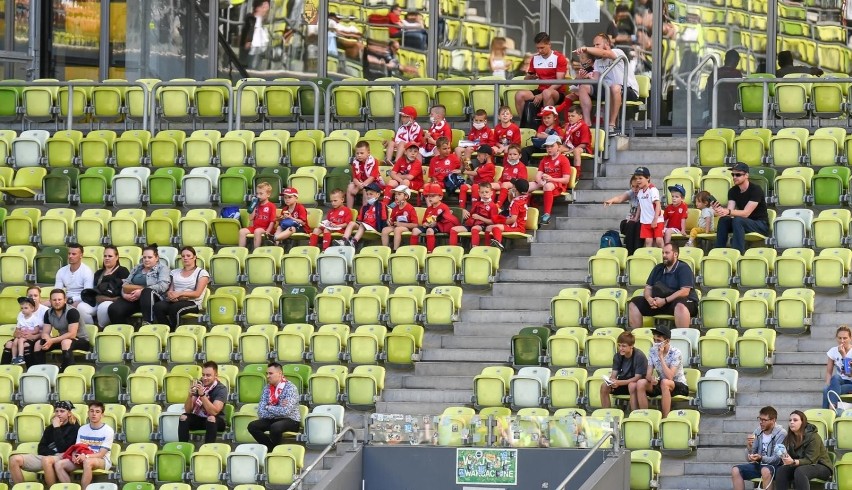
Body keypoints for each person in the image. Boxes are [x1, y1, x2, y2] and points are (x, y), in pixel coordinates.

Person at [574, 33, 640, 134]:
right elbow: (595, 81)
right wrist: (586, 77)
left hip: (628, 89)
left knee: (614, 87)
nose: (595, 47)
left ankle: (611, 125)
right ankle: (587, 124)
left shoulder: (617, 52)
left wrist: (585, 49)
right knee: (584, 87)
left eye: (597, 45)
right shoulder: (597, 62)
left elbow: (605, 54)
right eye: (594, 45)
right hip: (608, 89)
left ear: (607, 44)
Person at [628, 243, 698, 329]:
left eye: (667, 253)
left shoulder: (683, 268)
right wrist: (649, 299)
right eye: (662, 253)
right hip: (660, 302)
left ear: (675, 254)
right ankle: (636, 336)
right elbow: (648, 288)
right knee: (634, 302)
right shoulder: (658, 268)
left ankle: (682, 337)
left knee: (680, 305)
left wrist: (664, 301)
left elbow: (684, 291)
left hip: (684, 302)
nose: (664, 255)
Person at [12, 401, 80, 486]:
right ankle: (21, 487)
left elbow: (63, 449)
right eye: (57, 411)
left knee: (46, 460)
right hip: (50, 456)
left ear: (69, 413)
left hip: (65, 457)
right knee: (14, 459)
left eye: (62, 411)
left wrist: (57, 428)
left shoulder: (74, 428)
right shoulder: (50, 428)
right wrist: (54, 454)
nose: (58, 414)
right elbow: (41, 448)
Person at [53, 401, 115, 489]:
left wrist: (86, 456)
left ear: (102, 415)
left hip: (101, 460)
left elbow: (101, 454)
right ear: (88, 413)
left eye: (97, 412)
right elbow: (77, 447)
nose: (94, 414)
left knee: (87, 462)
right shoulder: (82, 429)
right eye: (91, 411)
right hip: (82, 456)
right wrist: (74, 455)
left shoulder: (108, 430)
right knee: (59, 464)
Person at [713, 162, 770, 253]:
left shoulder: (756, 190)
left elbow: (746, 213)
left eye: (738, 174)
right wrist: (718, 211)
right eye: (733, 174)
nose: (734, 177)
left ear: (746, 175)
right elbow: (729, 212)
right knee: (724, 220)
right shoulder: (733, 191)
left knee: (738, 220)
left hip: (760, 224)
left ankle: (738, 253)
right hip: (743, 222)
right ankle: (719, 251)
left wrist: (727, 211)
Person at [107, 245, 171, 325]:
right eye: (144, 257)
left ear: (157, 258)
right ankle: (126, 331)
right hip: (134, 298)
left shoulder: (162, 268)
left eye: (149, 257)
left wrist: (142, 291)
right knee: (113, 309)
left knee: (147, 291)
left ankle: (147, 322)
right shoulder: (138, 268)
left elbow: (163, 286)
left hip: (153, 299)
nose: (146, 260)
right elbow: (126, 283)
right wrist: (124, 295)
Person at [634, 325, 689, 418]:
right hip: (663, 383)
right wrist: (651, 379)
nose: (655, 343)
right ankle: (644, 416)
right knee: (640, 383)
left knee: (665, 382)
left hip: (679, 385)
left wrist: (661, 357)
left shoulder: (676, 353)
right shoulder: (652, 351)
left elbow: (670, 376)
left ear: (667, 341)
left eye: (658, 341)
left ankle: (665, 418)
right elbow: (648, 374)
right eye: (654, 340)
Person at [153, 247, 210, 331]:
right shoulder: (174, 272)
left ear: (194, 257)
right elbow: (170, 290)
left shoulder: (202, 273)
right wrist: (171, 295)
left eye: (188, 255)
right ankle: (167, 330)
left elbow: (197, 293)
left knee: (175, 308)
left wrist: (180, 294)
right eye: (183, 256)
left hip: (193, 302)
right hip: (176, 300)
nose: (185, 258)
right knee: (158, 306)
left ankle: (176, 332)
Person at [248, 363, 301, 452]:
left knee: (275, 427)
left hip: (291, 420)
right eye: (267, 373)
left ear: (280, 374)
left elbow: (286, 411)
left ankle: (276, 450)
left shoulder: (290, 388)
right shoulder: (267, 388)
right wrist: (277, 408)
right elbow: (260, 412)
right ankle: (272, 449)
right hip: (273, 418)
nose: (268, 376)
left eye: (270, 373)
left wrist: (268, 407)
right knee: (252, 426)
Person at [731, 406, 786, 490]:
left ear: (773, 420)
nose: (761, 422)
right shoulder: (758, 431)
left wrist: (761, 458)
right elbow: (749, 458)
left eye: (764, 420)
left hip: (775, 467)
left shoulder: (781, 433)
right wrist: (749, 448)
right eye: (760, 419)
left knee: (765, 470)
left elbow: (777, 459)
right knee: (735, 470)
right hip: (759, 466)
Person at [774, 410, 833, 489]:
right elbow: (788, 456)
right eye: (790, 420)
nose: (791, 422)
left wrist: (793, 462)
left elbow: (811, 460)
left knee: (800, 471)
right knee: (782, 470)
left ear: (803, 422)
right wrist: (784, 456)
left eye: (795, 420)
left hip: (821, 466)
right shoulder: (789, 437)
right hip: (800, 465)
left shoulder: (813, 436)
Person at [514, 32, 568, 117]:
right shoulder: (535, 58)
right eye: (537, 48)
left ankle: (547, 124)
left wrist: (541, 95)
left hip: (557, 93)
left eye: (542, 48)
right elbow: (527, 78)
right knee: (519, 95)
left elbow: (559, 82)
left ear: (549, 44)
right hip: (541, 90)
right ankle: (523, 123)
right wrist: (529, 77)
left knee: (547, 93)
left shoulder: (559, 58)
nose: (539, 51)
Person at [40, 289, 91, 371]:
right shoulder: (48, 313)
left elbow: (72, 334)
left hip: (80, 340)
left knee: (66, 342)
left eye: (59, 299)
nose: (57, 302)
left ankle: (69, 370)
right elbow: (45, 332)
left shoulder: (72, 312)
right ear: (50, 301)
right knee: (39, 344)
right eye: (54, 300)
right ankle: (37, 369)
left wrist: (52, 340)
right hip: (62, 339)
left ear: (65, 300)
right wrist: (47, 340)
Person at [179, 361, 228, 443]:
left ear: (216, 376)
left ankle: (207, 449)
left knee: (211, 418)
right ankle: (183, 446)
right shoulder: (199, 384)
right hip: (200, 418)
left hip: (217, 420)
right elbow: (188, 411)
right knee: (183, 417)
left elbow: (214, 412)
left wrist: (202, 395)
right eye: (203, 375)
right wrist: (189, 396)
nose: (205, 378)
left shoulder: (221, 389)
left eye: (208, 375)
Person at [528, 134, 572, 225]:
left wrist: (551, 179)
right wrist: (540, 182)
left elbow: (566, 180)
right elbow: (538, 175)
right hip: (545, 182)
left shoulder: (564, 160)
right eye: (547, 147)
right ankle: (522, 210)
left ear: (559, 147)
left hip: (557, 183)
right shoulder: (545, 159)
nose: (549, 149)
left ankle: (546, 215)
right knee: (525, 186)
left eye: (552, 146)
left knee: (548, 186)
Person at [601, 331, 648, 410]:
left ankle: (635, 414)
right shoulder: (617, 356)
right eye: (619, 345)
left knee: (632, 385)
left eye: (624, 346)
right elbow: (614, 374)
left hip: (636, 383)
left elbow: (637, 378)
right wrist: (612, 381)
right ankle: (606, 414)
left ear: (631, 346)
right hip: (622, 382)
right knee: (604, 386)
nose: (620, 348)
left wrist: (619, 382)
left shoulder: (639, 356)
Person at [410, 183, 461, 253]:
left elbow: (446, 220)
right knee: (415, 230)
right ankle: (413, 251)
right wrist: (425, 224)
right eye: (429, 196)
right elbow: (425, 221)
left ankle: (430, 252)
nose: (430, 198)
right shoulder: (429, 209)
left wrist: (435, 223)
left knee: (430, 230)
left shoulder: (444, 207)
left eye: (433, 196)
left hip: (439, 226)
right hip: (430, 226)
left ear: (440, 197)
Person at [87, 246, 130, 328]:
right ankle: (91, 329)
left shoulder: (122, 271)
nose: (107, 258)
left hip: (113, 301)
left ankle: (101, 328)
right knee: (82, 308)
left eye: (110, 256)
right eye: (105, 256)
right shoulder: (98, 273)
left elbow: (124, 291)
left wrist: (108, 299)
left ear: (117, 257)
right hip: (97, 300)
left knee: (103, 306)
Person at [53, 243, 95, 326]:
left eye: (74, 254)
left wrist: (71, 300)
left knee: (81, 308)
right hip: (66, 299)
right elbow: (57, 291)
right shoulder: (61, 271)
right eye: (69, 254)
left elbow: (87, 294)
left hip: (84, 300)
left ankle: (90, 328)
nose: (70, 256)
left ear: (81, 255)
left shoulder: (87, 271)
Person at [338, 183, 388, 248]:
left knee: (363, 225)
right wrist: (358, 223)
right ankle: (343, 240)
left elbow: (384, 218)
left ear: (378, 195)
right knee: (351, 223)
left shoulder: (381, 205)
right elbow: (359, 220)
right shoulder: (364, 207)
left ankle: (353, 242)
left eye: (371, 194)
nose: (368, 196)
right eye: (367, 194)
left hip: (375, 227)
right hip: (364, 226)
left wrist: (382, 229)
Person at [450, 182, 499, 248]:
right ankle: (453, 249)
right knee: (453, 229)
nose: (484, 194)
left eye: (486, 192)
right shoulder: (477, 204)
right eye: (482, 192)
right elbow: (471, 214)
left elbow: (493, 222)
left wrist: (479, 217)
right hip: (471, 224)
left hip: (483, 225)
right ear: (479, 193)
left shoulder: (493, 206)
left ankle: (474, 249)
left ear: (491, 193)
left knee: (474, 229)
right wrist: (465, 212)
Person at [486, 178, 530, 251]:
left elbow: (512, 219)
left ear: (515, 189)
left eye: (513, 186)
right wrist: (510, 194)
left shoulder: (516, 203)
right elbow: (512, 202)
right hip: (517, 225)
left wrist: (502, 222)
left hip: (517, 227)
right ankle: (492, 245)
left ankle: (495, 245)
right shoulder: (523, 198)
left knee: (493, 227)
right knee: (491, 227)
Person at [604, 175, 642, 254]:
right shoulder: (631, 193)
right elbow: (620, 198)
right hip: (631, 221)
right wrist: (611, 200)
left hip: (640, 222)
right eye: (633, 186)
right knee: (625, 223)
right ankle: (629, 251)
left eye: (637, 187)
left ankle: (634, 252)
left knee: (635, 225)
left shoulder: (645, 194)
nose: (635, 189)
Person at [704, 49, 742, 127]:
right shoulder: (736, 74)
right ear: (737, 62)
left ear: (725, 60)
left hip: (714, 108)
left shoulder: (715, 72)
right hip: (731, 111)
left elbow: (706, 91)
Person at [239, 182, 278, 249]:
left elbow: (272, 221)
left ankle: (255, 251)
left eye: (261, 194)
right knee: (242, 231)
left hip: (266, 228)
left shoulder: (271, 206)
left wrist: (268, 231)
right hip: (255, 227)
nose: (258, 196)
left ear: (268, 194)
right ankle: (241, 251)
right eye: (257, 193)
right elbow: (250, 218)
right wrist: (253, 207)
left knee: (257, 231)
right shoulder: (256, 205)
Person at [381, 185, 420, 251]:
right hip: (396, 226)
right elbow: (392, 221)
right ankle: (385, 250)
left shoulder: (410, 208)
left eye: (399, 194)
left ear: (406, 196)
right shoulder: (395, 208)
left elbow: (415, 224)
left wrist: (401, 224)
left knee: (397, 229)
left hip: (406, 227)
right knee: (385, 230)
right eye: (395, 194)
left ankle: (395, 250)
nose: (396, 196)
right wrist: (390, 222)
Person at [822, 325, 852, 409]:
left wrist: (844, 355)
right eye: (839, 338)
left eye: (845, 338)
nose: (842, 341)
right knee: (833, 381)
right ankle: (832, 407)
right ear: (836, 338)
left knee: (827, 391)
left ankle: (828, 411)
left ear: (850, 338)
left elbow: (849, 373)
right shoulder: (833, 351)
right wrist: (827, 384)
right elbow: (829, 371)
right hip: (839, 381)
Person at [633, 166, 664, 248]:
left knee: (659, 240)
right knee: (648, 241)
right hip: (645, 221)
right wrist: (636, 217)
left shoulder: (653, 190)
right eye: (636, 178)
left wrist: (655, 219)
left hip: (657, 220)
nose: (638, 180)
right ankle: (649, 258)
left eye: (640, 178)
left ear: (648, 178)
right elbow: (640, 205)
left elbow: (658, 204)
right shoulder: (640, 191)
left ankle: (664, 254)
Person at [458, 144, 496, 209]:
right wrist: (464, 163)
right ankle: (461, 209)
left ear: (486, 155)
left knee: (475, 186)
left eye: (479, 155)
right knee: (463, 187)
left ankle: (474, 209)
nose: (477, 157)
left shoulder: (490, 165)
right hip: (476, 184)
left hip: (484, 186)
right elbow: (472, 176)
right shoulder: (481, 166)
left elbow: (475, 173)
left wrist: (462, 171)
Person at [347, 141, 383, 209]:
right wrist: (358, 185)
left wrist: (360, 186)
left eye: (362, 153)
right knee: (350, 187)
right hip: (360, 183)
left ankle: (364, 211)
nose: (359, 155)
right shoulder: (355, 163)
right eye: (357, 153)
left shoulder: (374, 161)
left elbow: (372, 177)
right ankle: (349, 211)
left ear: (368, 153)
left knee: (366, 189)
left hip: (374, 183)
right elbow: (355, 178)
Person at [8, 296, 43, 365]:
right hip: (21, 335)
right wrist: (19, 333)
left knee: (20, 341)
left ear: (32, 308)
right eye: (22, 308)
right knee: (15, 342)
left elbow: (36, 330)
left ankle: (21, 357)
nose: (23, 310)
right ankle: (14, 358)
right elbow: (17, 329)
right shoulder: (21, 318)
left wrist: (30, 332)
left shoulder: (34, 318)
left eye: (26, 308)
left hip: (29, 336)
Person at [561, 105, 591, 179]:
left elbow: (584, 144)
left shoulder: (584, 126)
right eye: (569, 116)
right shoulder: (568, 126)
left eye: (572, 116)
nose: (570, 118)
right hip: (571, 147)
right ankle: (561, 170)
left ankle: (577, 173)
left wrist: (572, 150)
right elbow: (565, 141)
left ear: (580, 116)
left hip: (583, 148)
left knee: (577, 151)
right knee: (558, 148)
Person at [493, 144, 528, 208]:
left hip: (514, 185)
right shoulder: (506, 165)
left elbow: (522, 181)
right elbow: (502, 177)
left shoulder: (521, 166)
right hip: (504, 183)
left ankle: (498, 204)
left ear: (519, 156)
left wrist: (512, 183)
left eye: (515, 154)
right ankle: (490, 204)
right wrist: (499, 181)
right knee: (490, 185)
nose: (512, 156)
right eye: (510, 154)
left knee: (505, 184)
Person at [239, 0, 271, 69]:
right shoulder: (252, 19)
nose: (267, 9)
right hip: (254, 48)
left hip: (258, 49)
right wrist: (248, 41)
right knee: (252, 69)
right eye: (265, 6)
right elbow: (250, 30)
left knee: (255, 68)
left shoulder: (260, 22)